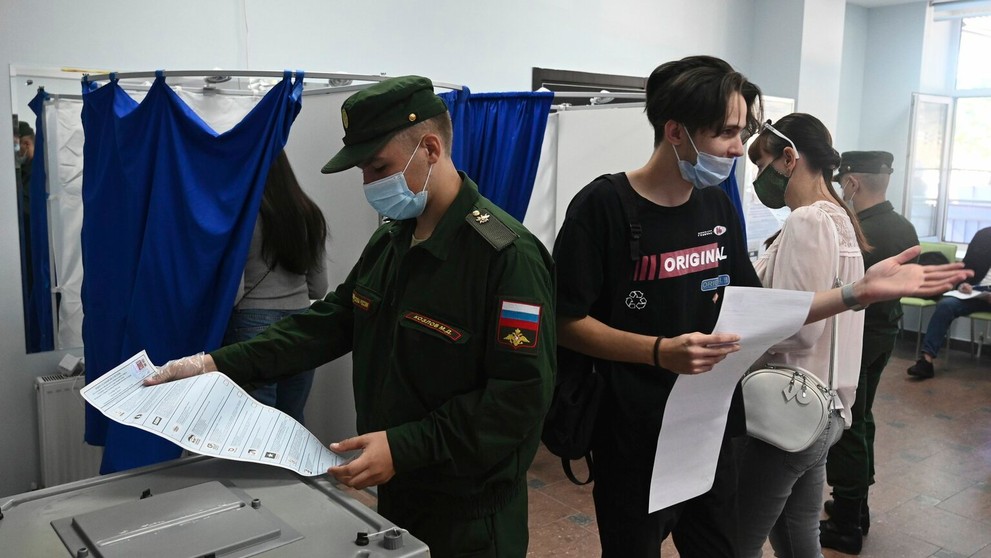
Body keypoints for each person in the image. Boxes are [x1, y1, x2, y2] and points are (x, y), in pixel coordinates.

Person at [553, 55, 969, 558]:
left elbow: (761, 308)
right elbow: (565, 322)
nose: (737, 149)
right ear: (675, 132)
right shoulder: (603, 207)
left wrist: (855, 293)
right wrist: (659, 351)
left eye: (742, 132)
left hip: (712, 426)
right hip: (634, 432)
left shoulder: (716, 207)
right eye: (726, 133)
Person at [147, 76, 555, 557]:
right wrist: (216, 364)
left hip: (470, 515)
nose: (369, 184)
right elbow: (326, 324)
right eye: (363, 170)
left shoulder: (505, 256)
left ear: (430, 149)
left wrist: (405, 447)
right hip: (399, 492)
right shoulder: (391, 242)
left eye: (378, 167)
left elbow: (518, 399)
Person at [735, 114, 871, 557]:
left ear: (789, 158)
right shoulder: (839, 217)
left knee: (734, 541)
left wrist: (736, 331)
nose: (758, 177)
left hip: (788, 406)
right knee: (797, 539)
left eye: (761, 165)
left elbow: (799, 327)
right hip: (823, 409)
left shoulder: (807, 221)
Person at [821, 150, 919, 553]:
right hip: (885, 334)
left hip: (857, 338)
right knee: (863, 417)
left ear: (852, 182)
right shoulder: (903, 226)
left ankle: (846, 523)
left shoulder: (857, 231)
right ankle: (856, 506)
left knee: (846, 424)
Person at [223, 150, 329, 425]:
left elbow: (235, 291)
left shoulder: (244, 215)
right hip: (302, 324)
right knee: (291, 420)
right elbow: (319, 288)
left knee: (254, 425)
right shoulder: (309, 213)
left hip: (252, 322)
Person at [908, 226, 991, 379]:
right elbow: (966, 268)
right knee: (946, 305)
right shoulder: (984, 236)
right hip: (977, 295)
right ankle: (926, 361)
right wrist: (963, 285)